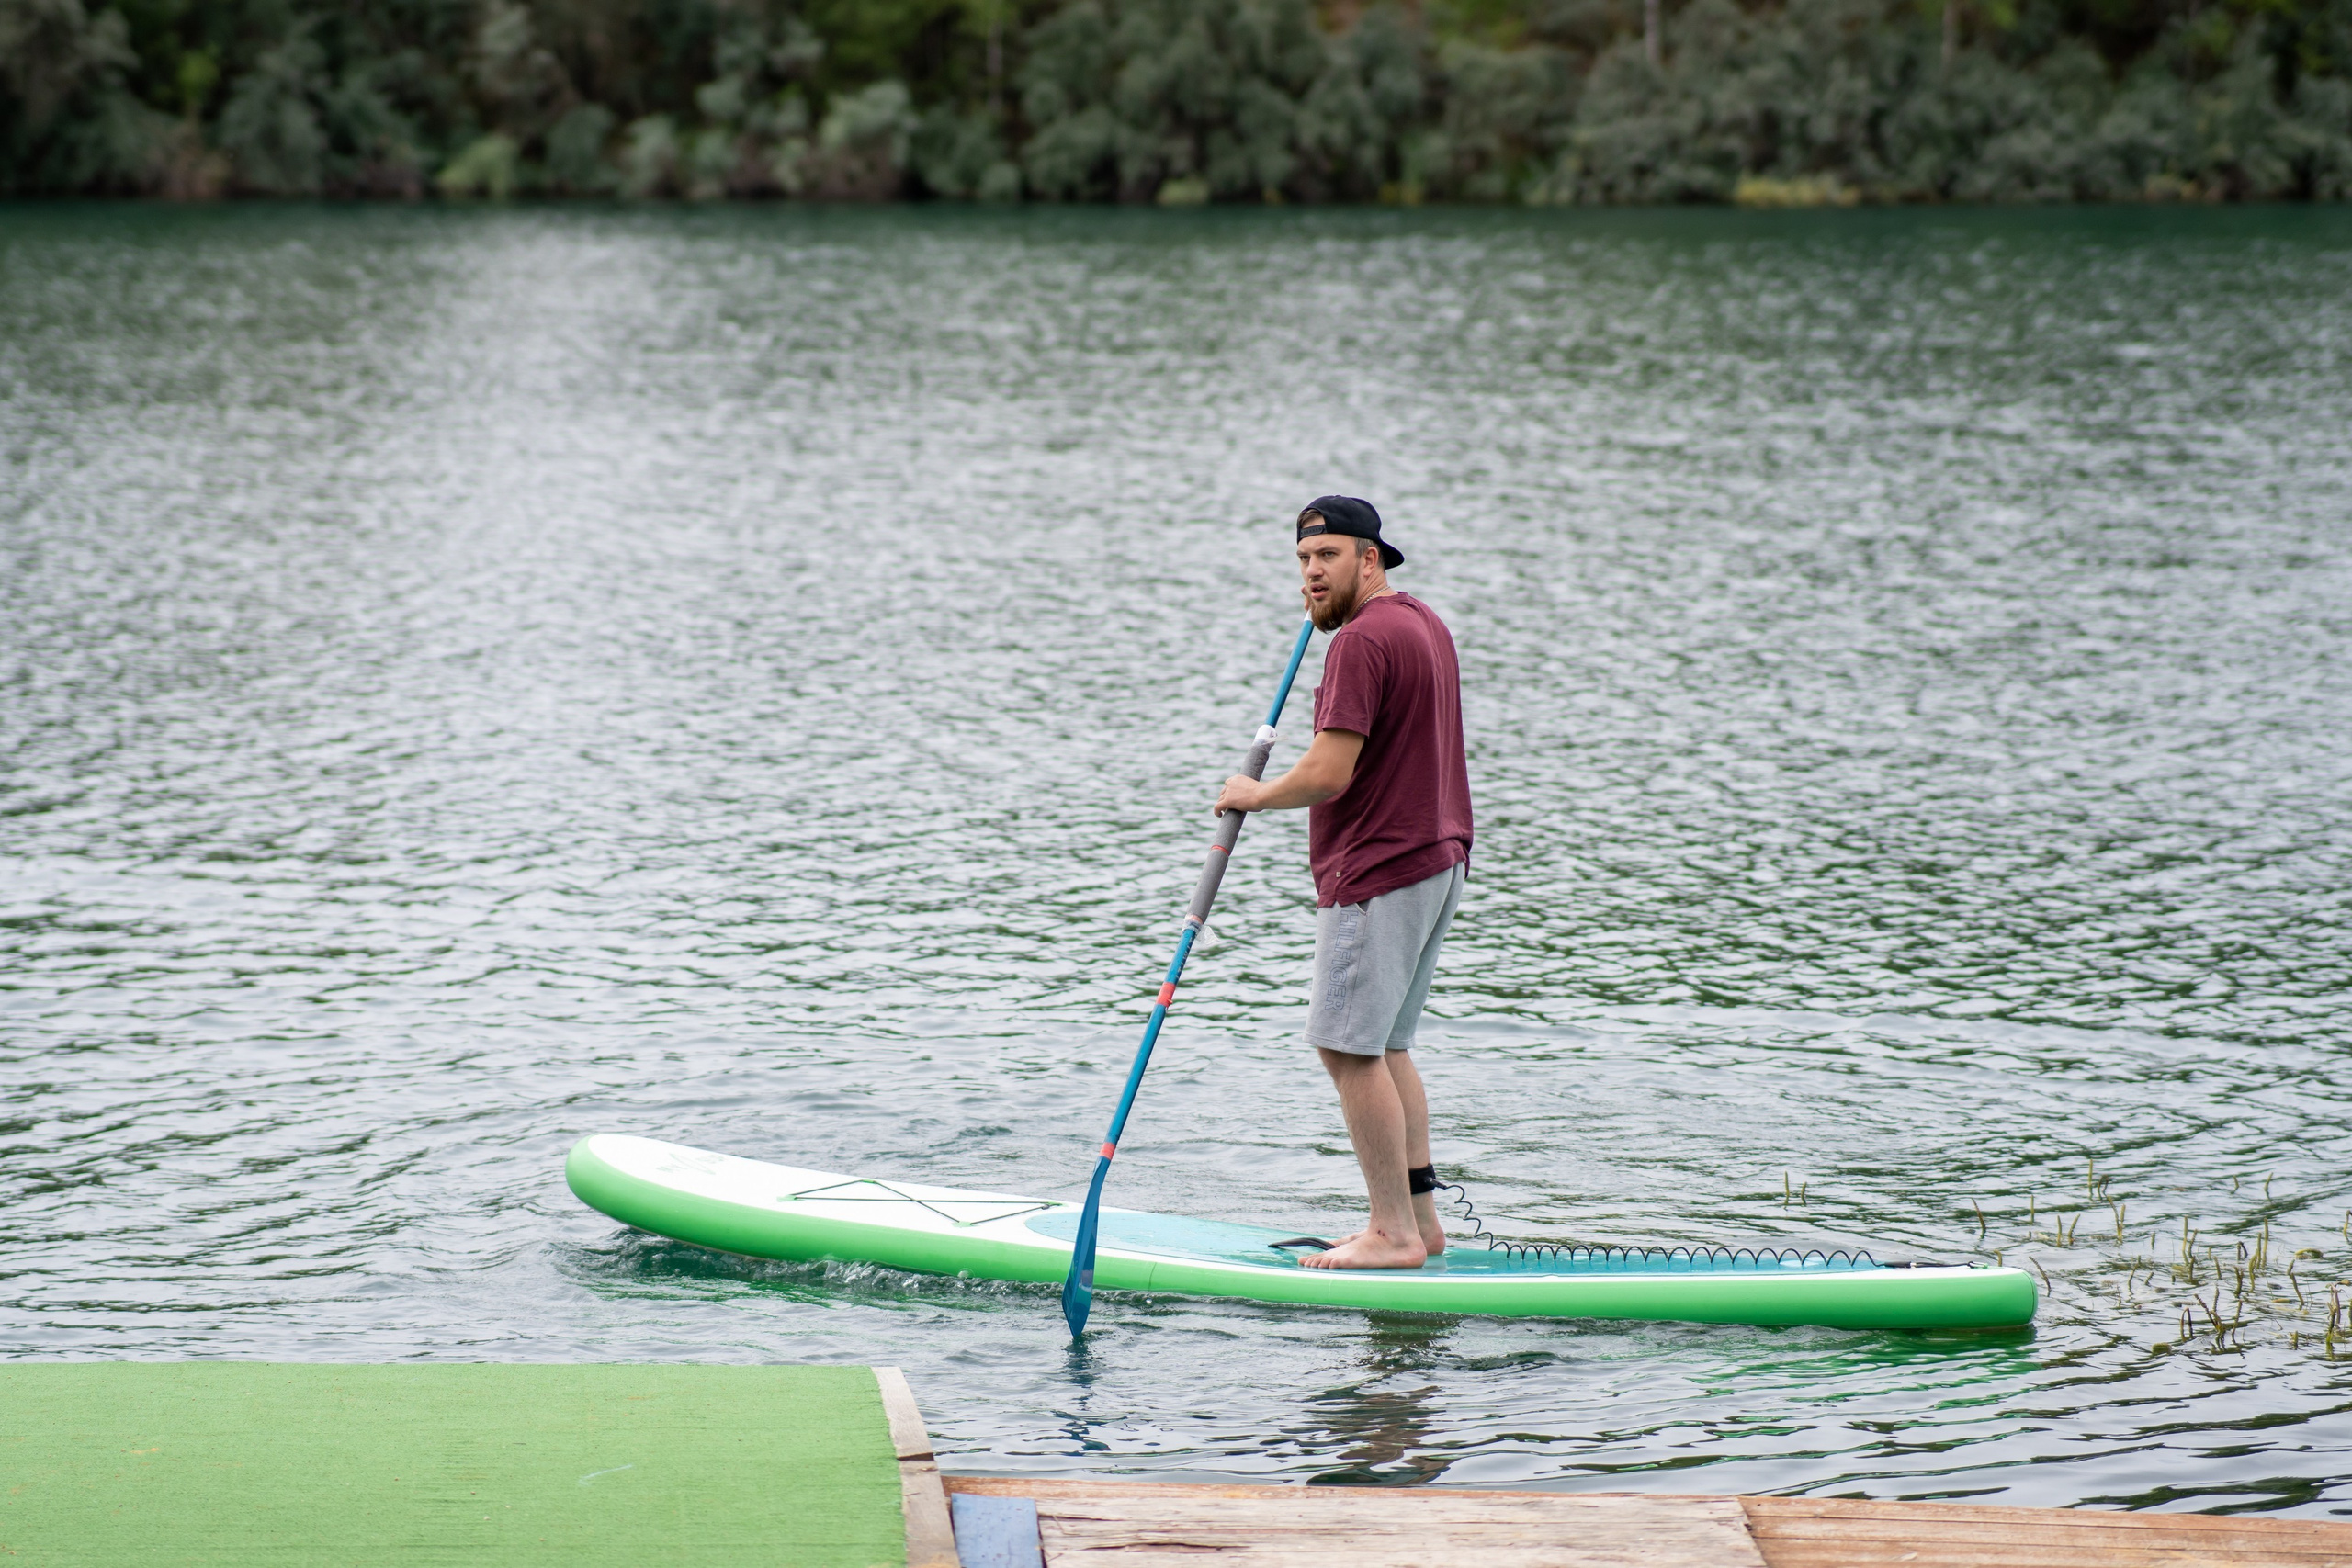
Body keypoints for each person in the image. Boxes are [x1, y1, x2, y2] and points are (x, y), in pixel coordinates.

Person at [1211, 496, 1473, 1270]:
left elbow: (1329, 772)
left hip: (1381, 865)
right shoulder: (1423, 623)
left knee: (1345, 1046)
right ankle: (1418, 1226)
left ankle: (1391, 1234)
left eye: (1328, 557)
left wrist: (1251, 793)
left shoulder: (1360, 642)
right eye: (1302, 560)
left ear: (1372, 559)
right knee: (1386, 1046)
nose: (1312, 573)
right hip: (1437, 856)